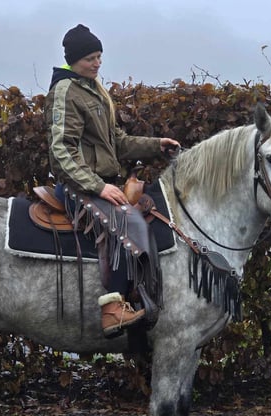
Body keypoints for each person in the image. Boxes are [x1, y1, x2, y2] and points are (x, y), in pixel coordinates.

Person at [45, 24, 180, 337]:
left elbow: (116, 141)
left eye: (99, 56)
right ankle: (112, 310)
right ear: (74, 59)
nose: (97, 63)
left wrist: (156, 144)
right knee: (127, 223)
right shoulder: (65, 92)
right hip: (80, 186)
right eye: (91, 58)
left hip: (101, 183)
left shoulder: (93, 88)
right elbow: (60, 151)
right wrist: (98, 186)